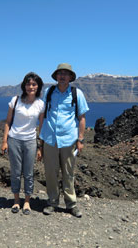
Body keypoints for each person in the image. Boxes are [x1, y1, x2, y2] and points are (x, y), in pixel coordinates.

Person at [39, 63, 89, 218]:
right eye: (60, 73)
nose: (62, 76)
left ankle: (71, 204)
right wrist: (40, 138)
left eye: (65, 74)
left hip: (68, 140)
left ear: (70, 77)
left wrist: (80, 140)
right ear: (56, 76)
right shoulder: (49, 92)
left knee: (68, 173)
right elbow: (43, 115)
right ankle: (52, 202)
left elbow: (81, 118)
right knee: (51, 173)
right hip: (50, 139)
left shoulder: (76, 93)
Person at [1, 72, 45, 215]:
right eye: (28, 84)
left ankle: (27, 201)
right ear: (24, 85)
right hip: (14, 139)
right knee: (15, 172)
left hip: (31, 141)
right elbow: (8, 122)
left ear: (38, 87)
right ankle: (16, 200)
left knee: (28, 173)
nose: (30, 87)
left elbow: (41, 127)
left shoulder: (40, 104)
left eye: (33, 84)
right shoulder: (15, 100)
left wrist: (40, 146)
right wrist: (4, 141)